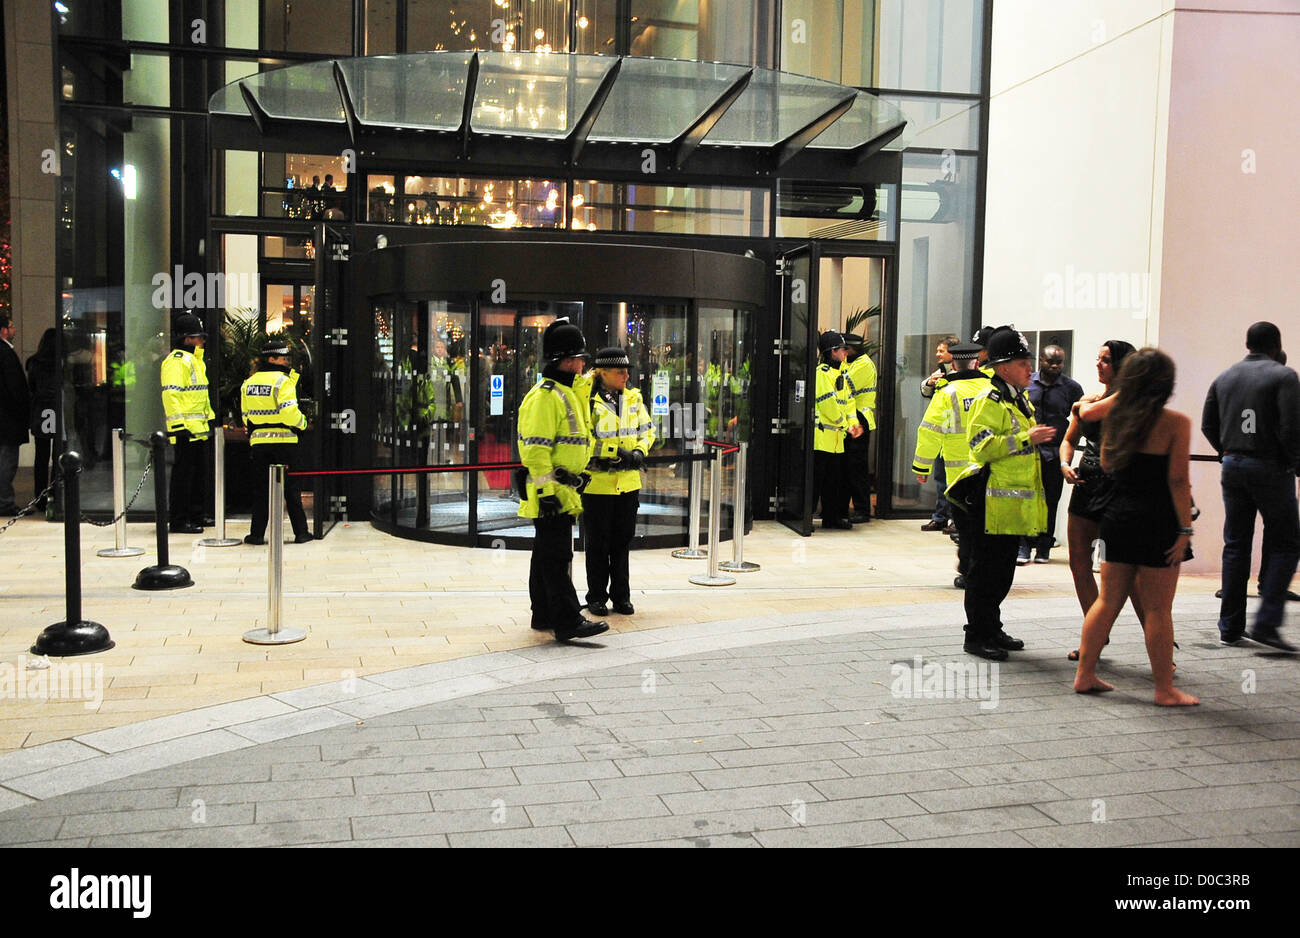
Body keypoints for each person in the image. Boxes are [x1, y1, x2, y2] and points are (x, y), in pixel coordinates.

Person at [1073, 348, 1199, 705]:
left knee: (1107, 601)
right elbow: (1178, 481)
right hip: (1158, 522)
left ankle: (1085, 674)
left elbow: (1107, 462)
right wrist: (1185, 531)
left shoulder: (1115, 416)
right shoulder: (1176, 423)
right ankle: (1164, 689)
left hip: (1116, 519)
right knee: (1159, 608)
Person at [946, 327, 1055, 660]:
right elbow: (980, 447)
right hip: (990, 503)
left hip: (1008, 505)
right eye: (1024, 363)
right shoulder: (989, 399)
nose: (1030, 369)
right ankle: (976, 636)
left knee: (1002, 572)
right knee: (985, 573)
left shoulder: (1016, 396)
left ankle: (992, 627)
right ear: (1004, 367)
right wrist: (1026, 439)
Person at [1201, 321, 1300, 652]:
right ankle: (1267, 623)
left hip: (1232, 465)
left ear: (1248, 344)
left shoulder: (1224, 377)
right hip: (1271, 465)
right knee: (1287, 542)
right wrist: (1293, 461)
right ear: (1276, 345)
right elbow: (1289, 427)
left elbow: (1207, 424)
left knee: (1236, 545)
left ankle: (1229, 627)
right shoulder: (1284, 376)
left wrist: (1226, 451)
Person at [517, 319, 608, 643]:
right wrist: (545, 492)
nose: (583, 365)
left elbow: (580, 393)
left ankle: (542, 614)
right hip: (551, 491)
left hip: (561, 489)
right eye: (579, 359)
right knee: (557, 557)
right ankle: (568, 620)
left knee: (545, 554)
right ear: (565, 360)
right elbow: (536, 451)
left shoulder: (565, 392)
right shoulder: (545, 397)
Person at [1060, 341, 1146, 661]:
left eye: (1106, 360)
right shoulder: (1089, 401)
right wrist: (1065, 464)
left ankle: (1159, 644)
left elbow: (1084, 414)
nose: (1099, 365)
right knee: (1079, 563)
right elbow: (1069, 440)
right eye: (1097, 358)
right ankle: (1095, 635)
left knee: (1128, 575)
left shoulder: (1131, 402)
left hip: (1119, 491)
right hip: (1086, 484)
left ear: (1122, 365)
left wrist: (1081, 408)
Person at [579, 347, 654, 617]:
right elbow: (583, 438)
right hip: (598, 483)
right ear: (604, 373)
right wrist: (613, 452)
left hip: (628, 482)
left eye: (626, 371)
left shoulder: (633, 398)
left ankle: (621, 597)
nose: (626, 375)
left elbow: (647, 431)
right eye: (620, 371)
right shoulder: (587, 399)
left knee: (622, 542)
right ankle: (596, 597)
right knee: (597, 544)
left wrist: (638, 453)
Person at [912, 341, 989, 589]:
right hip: (989, 471)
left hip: (958, 476)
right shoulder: (990, 389)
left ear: (954, 364)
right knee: (986, 525)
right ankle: (986, 570)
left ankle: (968, 572)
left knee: (965, 528)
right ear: (976, 363)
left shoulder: (947, 393)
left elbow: (930, 431)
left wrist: (921, 468)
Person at [241, 342, 313, 545]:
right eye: (283, 358)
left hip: (259, 444)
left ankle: (256, 535)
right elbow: (289, 412)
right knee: (292, 490)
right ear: (271, 359)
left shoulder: (249, 382)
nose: (287, 361)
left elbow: (245, 415)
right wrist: (303, 423)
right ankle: (301, 533)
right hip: (285, 442)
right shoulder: (283, 382)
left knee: (261, 491)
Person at [1018, 344, 1084, 564]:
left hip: (1054, 452)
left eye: (1059, 362)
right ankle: (1024, 545)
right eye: (1050, 361)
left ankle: (1044, 546)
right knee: (1027, 498)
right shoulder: (1027, 384)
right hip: (1029, 450)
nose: (1055, 366)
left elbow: (1078, 418)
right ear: (1041, 361)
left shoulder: (1071, 388)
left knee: (1051, 499)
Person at [161, 311, 214, 533]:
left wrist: (209, 419)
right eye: (197, 336)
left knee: (198, 475)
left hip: (199, 428)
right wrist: (178, 426)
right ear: (186, 339)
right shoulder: (176, 362)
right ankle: (180, 520)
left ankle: (196, 514)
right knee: (184, 476)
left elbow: (200, 395)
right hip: (185, 430)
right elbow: (170, 395)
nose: (201, 340)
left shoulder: (194, 361)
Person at [812, 331, 861, 530]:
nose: (846, 353)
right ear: (833, 352)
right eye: (842, 350)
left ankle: (831, 518)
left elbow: (849, 402)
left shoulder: (840, 374)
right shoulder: (821, 373)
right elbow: (827, 404)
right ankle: (807, 517)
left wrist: (854, 422)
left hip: (836, 440)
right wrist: (846, 424)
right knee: (816, 480)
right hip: (822, 438)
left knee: (833, 482)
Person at [920, 334, 962, 532]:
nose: (937, 354)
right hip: (941, 431)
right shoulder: (940, 372)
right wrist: (930, 383)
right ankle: (940, 517)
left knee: (956, 481)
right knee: (940, 478)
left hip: (957, 435)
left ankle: (956, 519)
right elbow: (926, 391)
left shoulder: (963, 373)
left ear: (952, 354)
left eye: (941, 350)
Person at [843, 333, 876, 524]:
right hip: (851, 418)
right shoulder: (851, 363)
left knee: (857, 468)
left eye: (845, 349)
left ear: (852, 348)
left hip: (860, 419)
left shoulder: (863, 364)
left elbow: (843, 385)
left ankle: (863, 510)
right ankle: (849, 507)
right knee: (848, 467)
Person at [0, 315, 31, 516]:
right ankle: (5, 503)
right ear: (3, 330)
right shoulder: (5, 353)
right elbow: (15, 388)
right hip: (7, 420)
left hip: (5, 419)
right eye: (11, 327)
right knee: (6, 463)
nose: (14, 330)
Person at [25, 328, 59, 511]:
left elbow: (32, 388)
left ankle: (40, 496)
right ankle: (55, 492)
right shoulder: (60, 362)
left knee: (41, 456)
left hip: (41, 412)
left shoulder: (34, 363)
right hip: (57, 409)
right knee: (58, 455)